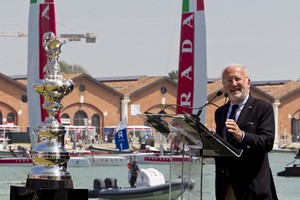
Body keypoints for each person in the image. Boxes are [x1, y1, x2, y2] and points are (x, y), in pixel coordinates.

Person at [214, 64, 278, 200]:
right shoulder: (219, 112)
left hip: (253, 187)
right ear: (224, 85)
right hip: (226, 186)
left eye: (237, 79)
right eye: (228, 80)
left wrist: (241, 135)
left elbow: (267, 142)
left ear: (248, 82)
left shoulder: (263, 108)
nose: (233, 83)